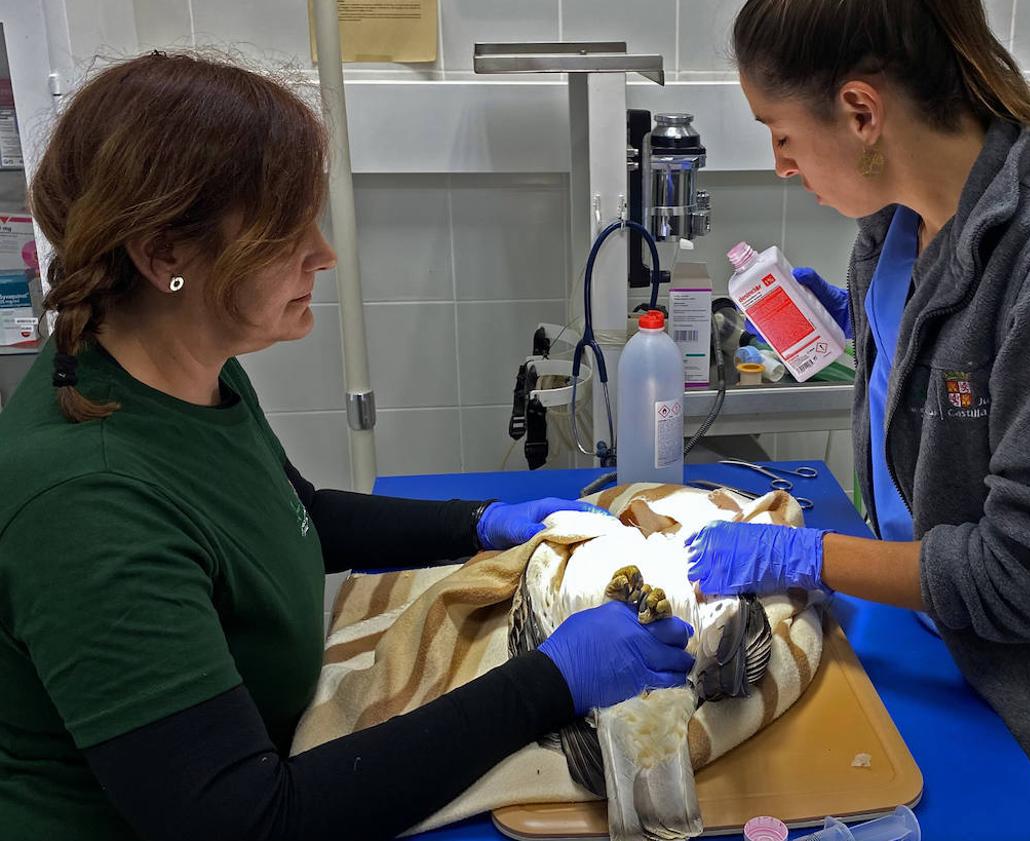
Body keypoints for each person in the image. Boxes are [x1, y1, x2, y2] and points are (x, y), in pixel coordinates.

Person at [0, 52, 694, 841]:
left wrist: (480, 522)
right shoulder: (87, 505)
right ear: (165, 258)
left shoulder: (184, 369)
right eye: (284, 231)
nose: (324, 254)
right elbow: (251, 820)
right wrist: (551, 680)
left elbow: (296, 516)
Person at [685, 2, 1030, 840]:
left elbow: (1023, 579)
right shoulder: (895, 230)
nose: (779, 164)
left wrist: (805, 553)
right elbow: (951, 399)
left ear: (860, 111)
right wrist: (866, 319)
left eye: (779, 132)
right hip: (941, 655)